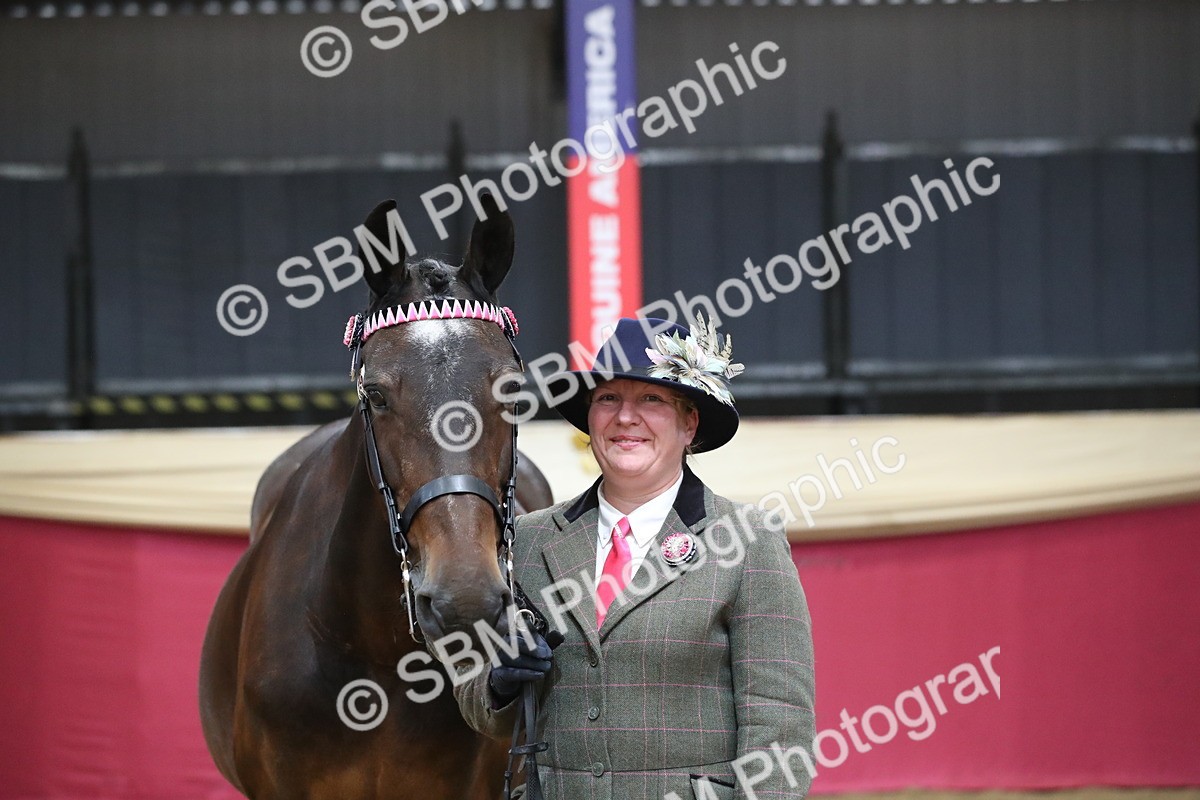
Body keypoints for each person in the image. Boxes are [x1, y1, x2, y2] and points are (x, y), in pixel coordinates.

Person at [454, 316, 815, 800]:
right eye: (608, 399)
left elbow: (779, 723)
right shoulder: (528, 540)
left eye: (651, 399)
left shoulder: (750, 541)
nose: (626, 417)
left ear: (690, 424)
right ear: (590, 420)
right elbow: (476, 702)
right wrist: (497, 683)